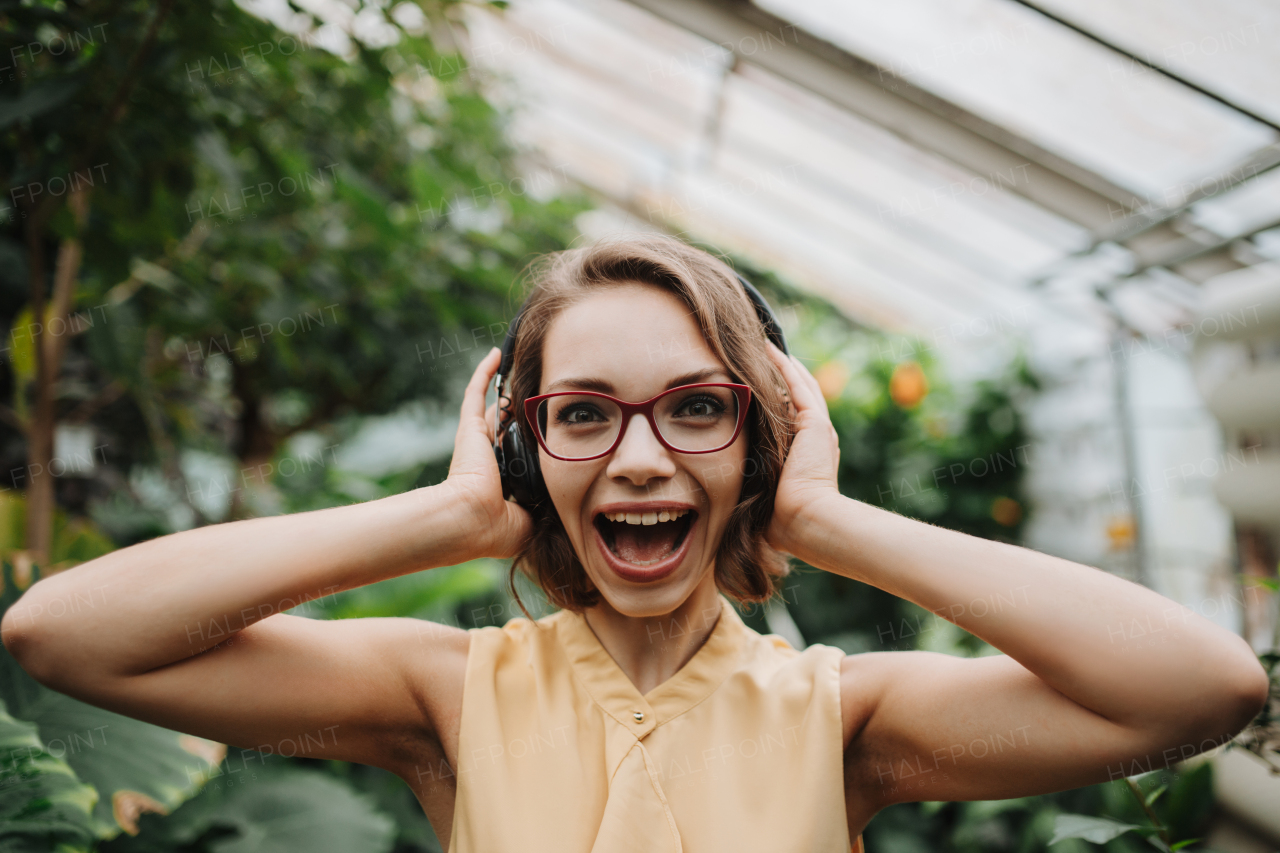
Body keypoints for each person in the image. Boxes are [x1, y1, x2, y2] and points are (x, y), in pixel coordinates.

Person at [1, 236, 1268, 853]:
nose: (643, 457)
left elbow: (1201, 689)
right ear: (522, 446)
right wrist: (445, 513)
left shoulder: (845, 717)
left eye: (698, 406)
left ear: (758, 444)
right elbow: (62, 635)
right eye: (583, 413)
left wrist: (828, 522)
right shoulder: (441, 697)